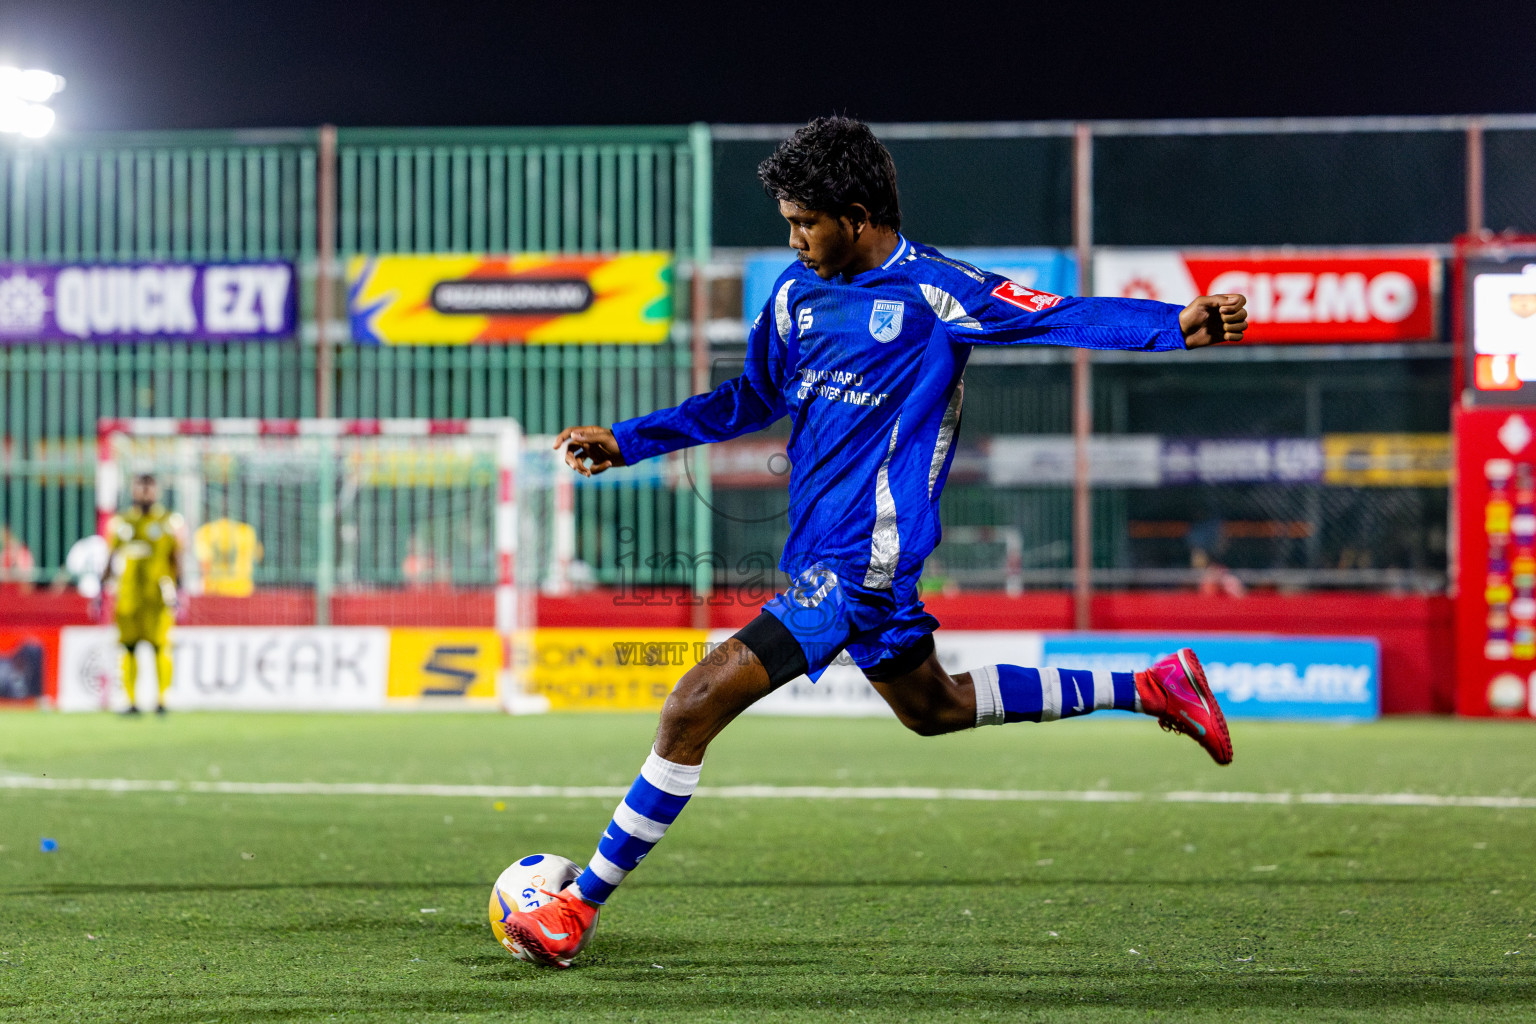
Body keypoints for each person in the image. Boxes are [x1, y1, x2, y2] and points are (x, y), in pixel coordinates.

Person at [503, 117, 1250, 968]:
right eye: (789, 223)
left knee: (691, 704)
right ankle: (1153, 687)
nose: (793, 240)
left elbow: (1058, 315)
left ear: (856, 217)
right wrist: (631, 440)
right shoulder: (795, 294)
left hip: (862, 563)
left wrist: (1175, 323)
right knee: (935, 709)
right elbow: (751, 397)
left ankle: (577, 907)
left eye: (805, 224)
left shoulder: (938, 292)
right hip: (823, 555)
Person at [102, 474, 183, 715]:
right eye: (141, 487)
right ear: (133, 490)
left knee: (161, 646)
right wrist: (101, 588)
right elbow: (110, 557)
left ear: (157, 491)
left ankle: (162, 700)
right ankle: (130, 701)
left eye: (149, 487)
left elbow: (176, 558)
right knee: (128, 647)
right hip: (128, 596)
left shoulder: (169, 522)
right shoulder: (121, 522)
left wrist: (180, 590)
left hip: (157, 596)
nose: (145, 492)